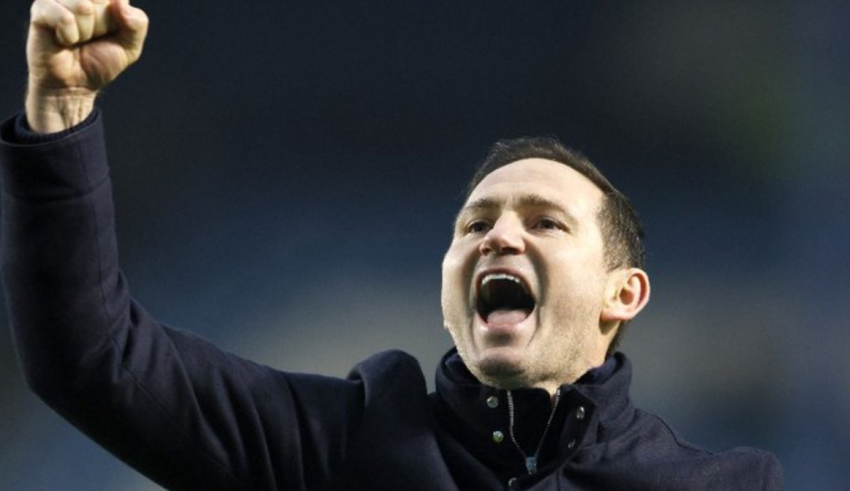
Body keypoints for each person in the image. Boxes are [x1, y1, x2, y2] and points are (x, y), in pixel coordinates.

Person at [0, 1, 782, 490]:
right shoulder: (340, 446)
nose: (499, 236)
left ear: (623, 292)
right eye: (474, 225)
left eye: (546, 221)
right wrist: (60, 113)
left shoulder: (723, 486)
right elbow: (93, 357)